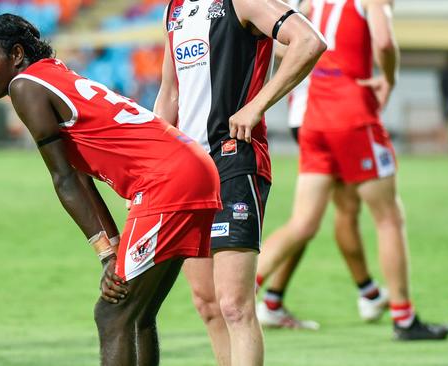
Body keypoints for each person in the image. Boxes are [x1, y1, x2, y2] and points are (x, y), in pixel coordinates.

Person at [0, 13, 223, 365]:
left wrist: (108, 255)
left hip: (166, 181)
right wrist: (111, 249)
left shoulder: (24, 85)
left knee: (112, 312)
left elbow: (64, 178)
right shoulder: (54, 73)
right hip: (193, 167)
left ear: (15, 55)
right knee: (138, 313)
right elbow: (80, 175)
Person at [255, 0, 448, 341]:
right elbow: (385, 42)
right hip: (352, 115)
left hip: (313, 117)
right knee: (388, 217)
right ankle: (403, 318)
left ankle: (240, 295)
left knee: (303, 223)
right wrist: (387, 79)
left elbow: (286, 46)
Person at [150, 0, 325, 364]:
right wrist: (151, 165)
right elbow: (169, 92)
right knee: (207, 304)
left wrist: (257, 104)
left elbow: (309, 41)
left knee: (234, 305)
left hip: (234, 161)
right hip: (186, 171)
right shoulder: (176, 8)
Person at [256, 0, 388, 329]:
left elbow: (285, 44)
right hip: (320, 111)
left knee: (325, 213)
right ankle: (369, 295)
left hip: (312, 111)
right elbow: (292, 42)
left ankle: (276, 300)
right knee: (317, 218)